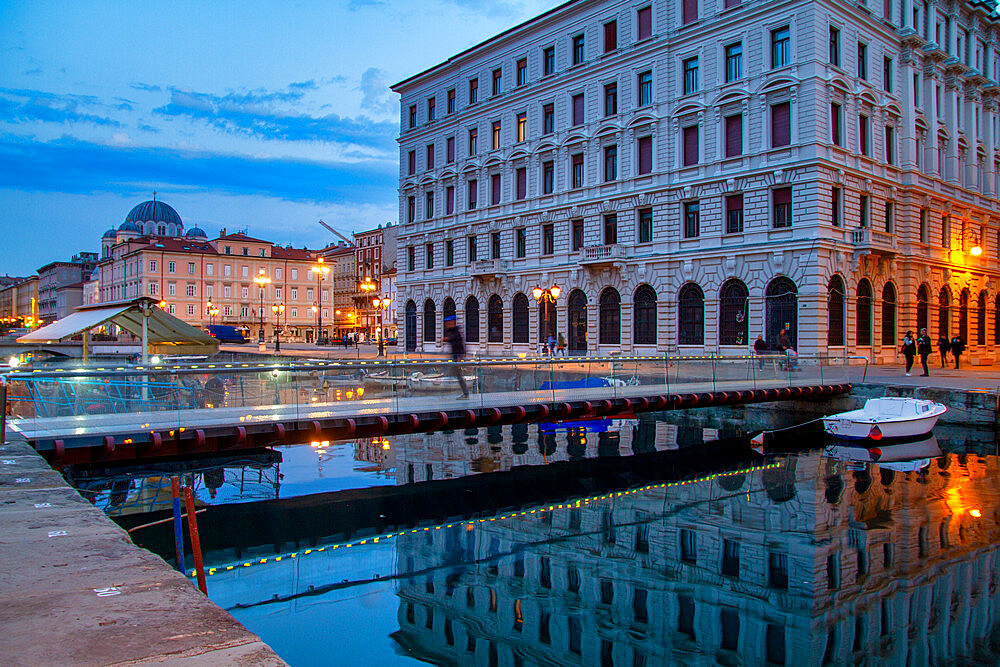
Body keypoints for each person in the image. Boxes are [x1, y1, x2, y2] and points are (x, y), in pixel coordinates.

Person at [443, 315, 469, 398]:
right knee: (455, 374)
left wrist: (459, 359)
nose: (446, 325)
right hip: (455, 357)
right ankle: (463, 393)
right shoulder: (451, 331)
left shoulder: (455, 332)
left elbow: (460, 346)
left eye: (447, 323)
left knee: (458, 375)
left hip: (457, 357)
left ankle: (465, 393)